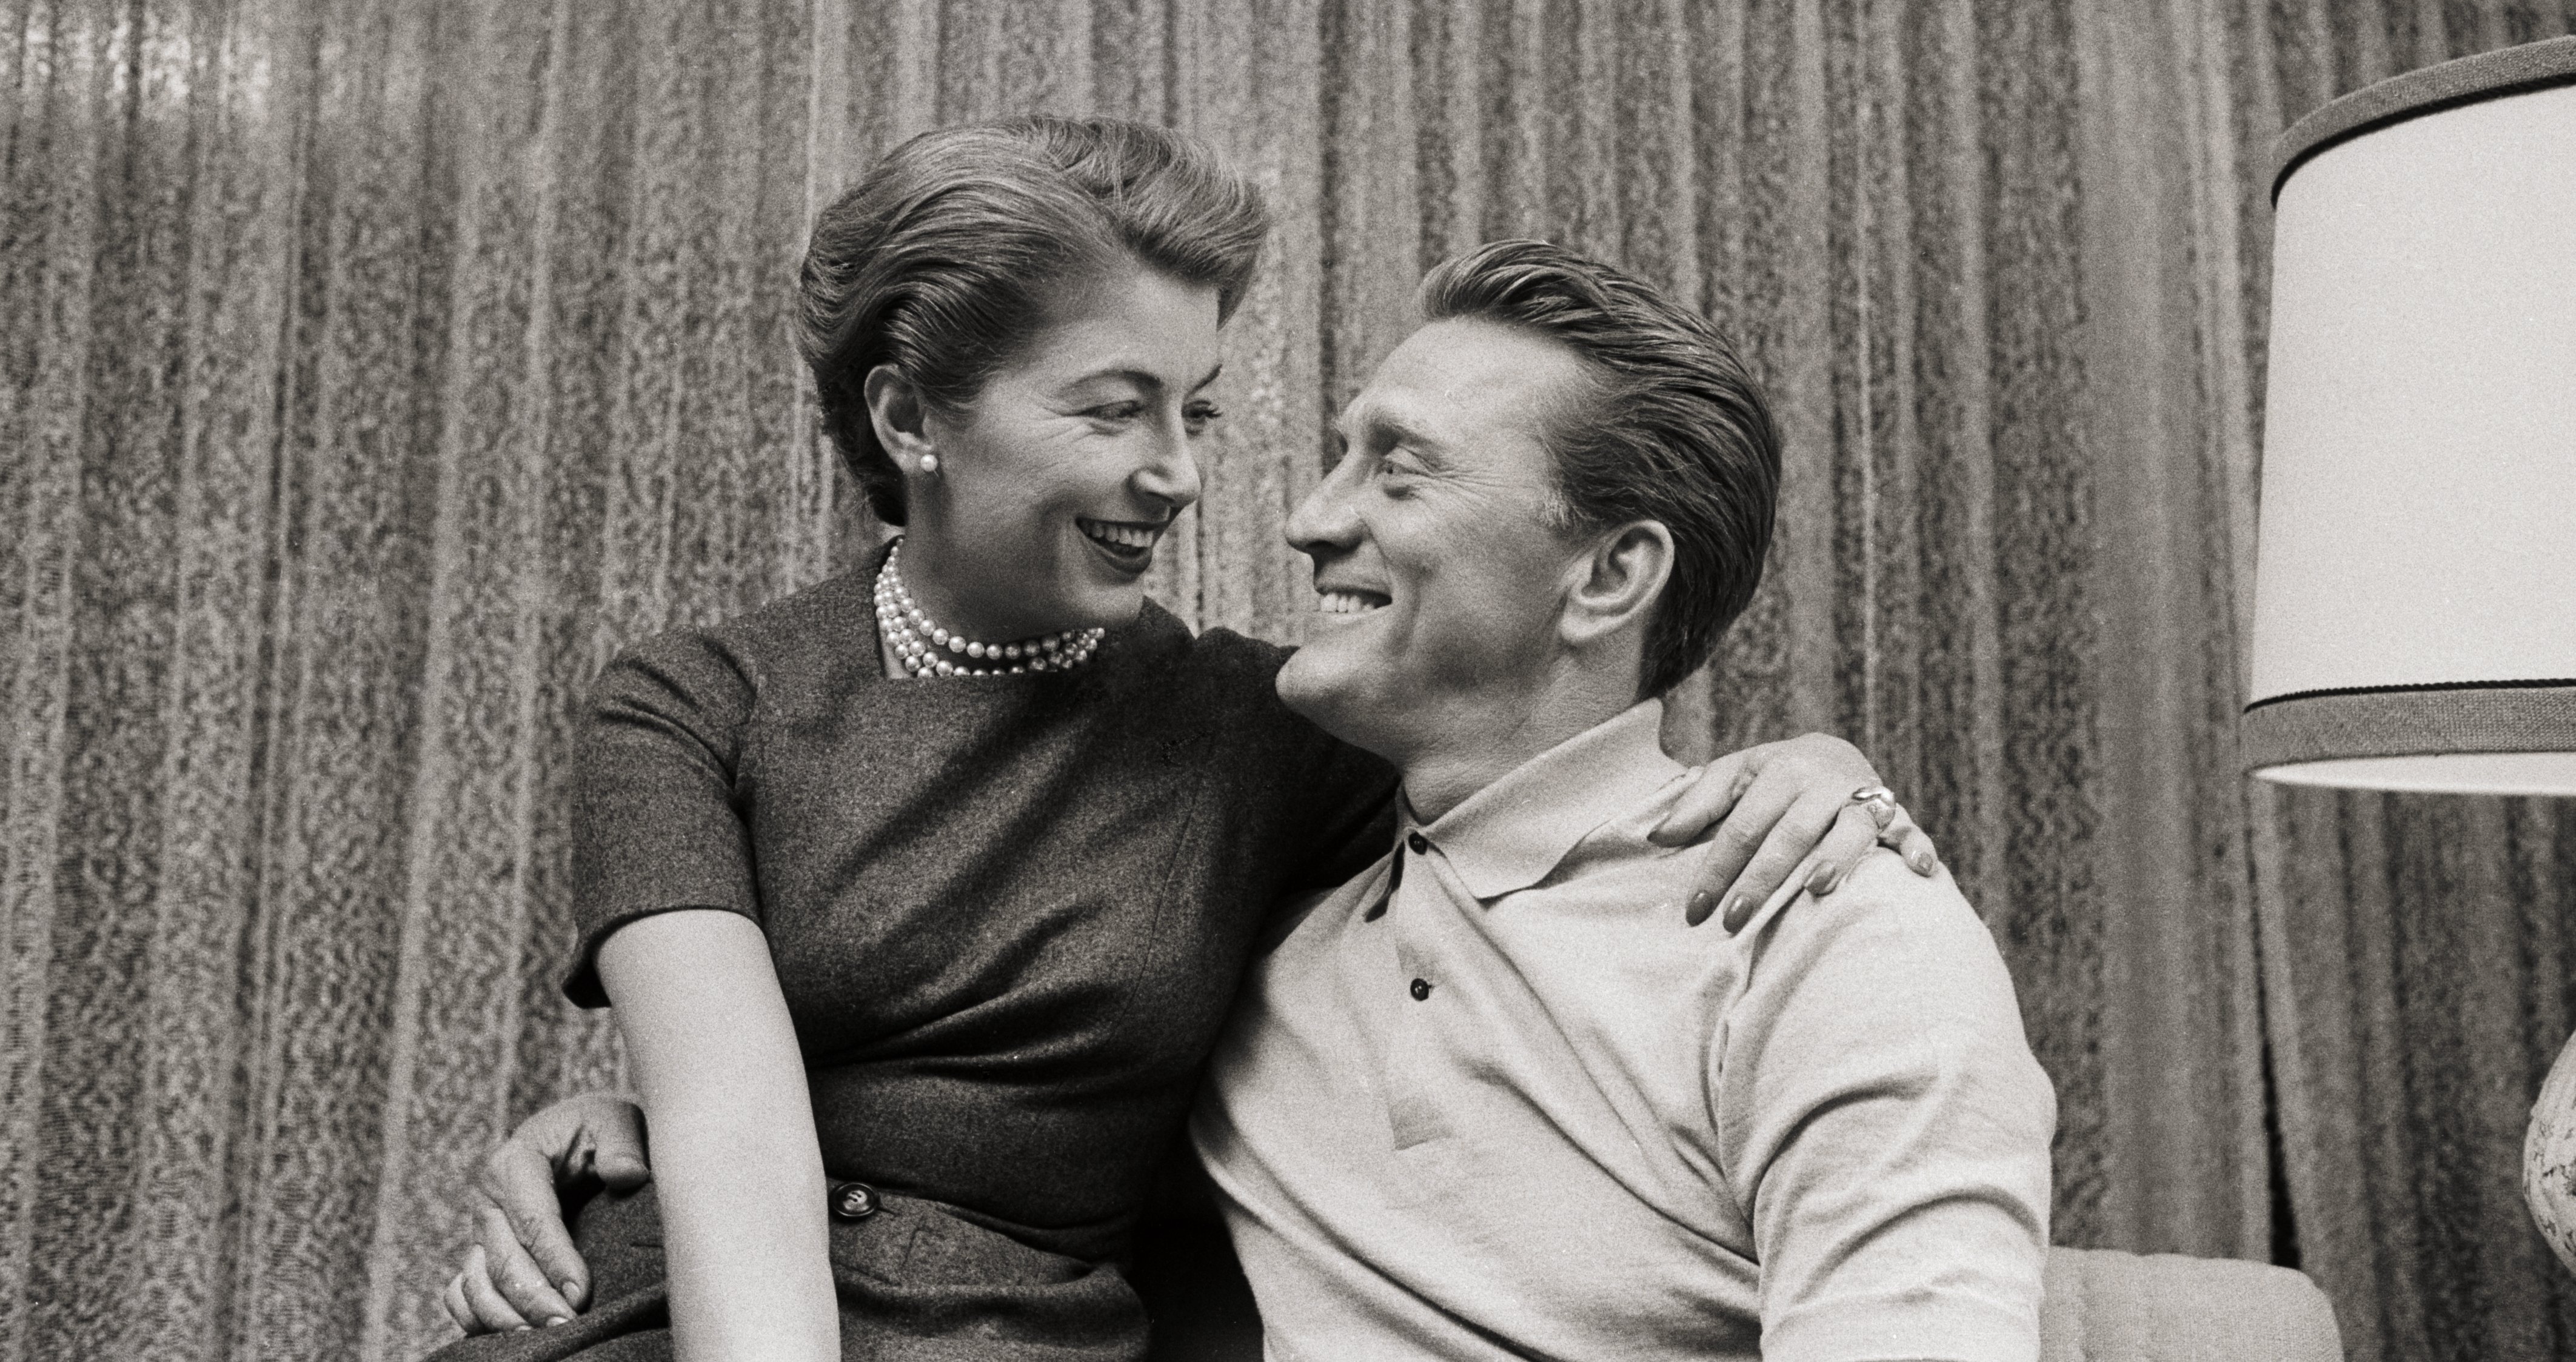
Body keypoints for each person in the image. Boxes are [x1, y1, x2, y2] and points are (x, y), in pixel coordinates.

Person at [430, 118, 1936, 1361]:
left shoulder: (1265, 726)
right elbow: (734, 1136)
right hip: (683, 1318)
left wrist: (1823, 772)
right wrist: (611, 1121)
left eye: (1196, 415)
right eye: (1112, 410)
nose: (1178, 477)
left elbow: (1545, 803)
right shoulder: (689, 707)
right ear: (910, 419)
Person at [1193, 239, 2054, 1359]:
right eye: (1342, 458)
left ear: (1607, 578)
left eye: (1400, 470)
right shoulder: (1247, 945)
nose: (1310, 519)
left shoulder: (1824, 928)